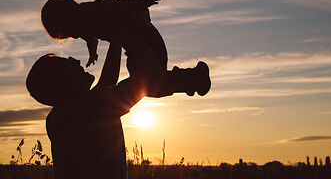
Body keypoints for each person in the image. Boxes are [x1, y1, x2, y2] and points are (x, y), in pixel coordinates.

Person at [26, 40, 211, 179]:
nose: (75, 60)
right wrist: (132, 38)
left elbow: (107, 82)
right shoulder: (82, 111)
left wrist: (115, 40)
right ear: (62, 84)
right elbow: (142, 84)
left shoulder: (67, 114)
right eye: (67, 64)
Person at [41, 0, 165, 69]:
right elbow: (90, 38)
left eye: (68, 33)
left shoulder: (91, 12)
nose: (74, 36)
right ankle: (173, 77)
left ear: (68, 19)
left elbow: (118, 6)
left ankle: (179, 77)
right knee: (143, 74)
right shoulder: (81, 26)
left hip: (142, 32)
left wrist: (138, 2)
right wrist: (93, 53)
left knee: (150, 72)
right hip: (131, 40)